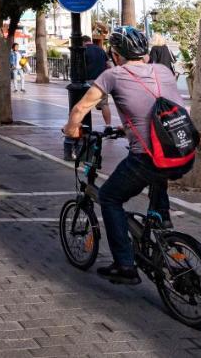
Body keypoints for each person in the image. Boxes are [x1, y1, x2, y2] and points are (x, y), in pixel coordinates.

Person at [62, 27, 190, 285]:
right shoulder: (163, 71)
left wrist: (71, 129)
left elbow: (80, 108)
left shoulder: (113, 75)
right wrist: (127, 128)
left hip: (148, 157)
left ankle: (125, 264)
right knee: (159, 170)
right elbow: (156, 106)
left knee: (109, 197)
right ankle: (160, 220)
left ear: (116, 54)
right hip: (183, 150)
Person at [83, 25, 113, 127]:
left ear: (83, 42)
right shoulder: (100, 50)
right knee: (104, 104)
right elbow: (109, 65)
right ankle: (108, 125)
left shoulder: (83, 50)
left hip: (88, 80)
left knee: (85, 104)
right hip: (102, 81)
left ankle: (86, 125)